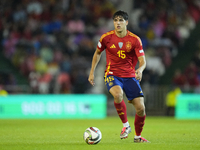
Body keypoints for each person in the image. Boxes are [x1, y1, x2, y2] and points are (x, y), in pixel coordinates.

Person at [88, 10, 149, 143]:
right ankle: (126, 126)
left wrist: (140, 69)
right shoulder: (106, 37)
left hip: (130, 76)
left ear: (126, 22)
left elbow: (143, 60)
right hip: (112, 74)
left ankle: (138, 137)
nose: (118, 23)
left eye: (121, 20)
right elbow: (97, 53)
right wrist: (92, 71)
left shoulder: (134, 39)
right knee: (118, 95)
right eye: (115, 20)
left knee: (141, 109)